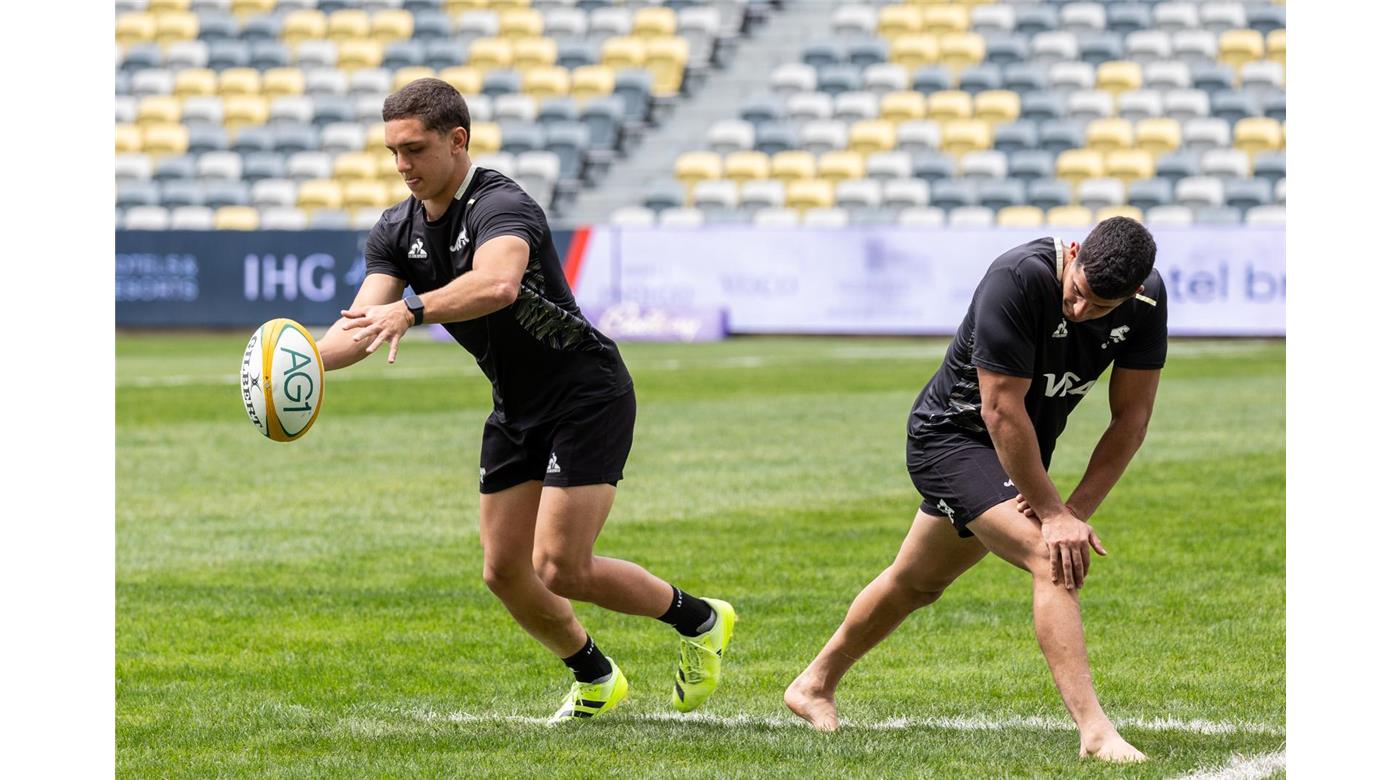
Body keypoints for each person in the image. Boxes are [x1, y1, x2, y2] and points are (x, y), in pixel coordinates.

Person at [316, 78, 736, 723]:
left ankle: (701, 619)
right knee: (505, 570)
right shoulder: (396, 228)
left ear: (458, 141)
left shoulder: (501, 204)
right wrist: (302, 365)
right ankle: (596, 677)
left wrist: (414, 309)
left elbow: (498, 283)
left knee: (561, 566)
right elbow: (363, 324)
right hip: (516, 405)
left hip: (585, 392)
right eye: (393, 152)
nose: (402, 166)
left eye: (415, 149)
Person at [785, 218, 1167, 763]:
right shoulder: (1016, 278)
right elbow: (999, 410)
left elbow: (1132, 418)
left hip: (1016, 453)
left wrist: (1073, 508)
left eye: (1102, 308)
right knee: (1049, 554)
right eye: (1079, 293)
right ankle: (1096, 733)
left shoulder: (1148, 302)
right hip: (952, 439)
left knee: (917, 582)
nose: (1081, 312)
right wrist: (1052, 514)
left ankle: (813, 684)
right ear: (1075, 253)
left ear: (1134, 293)